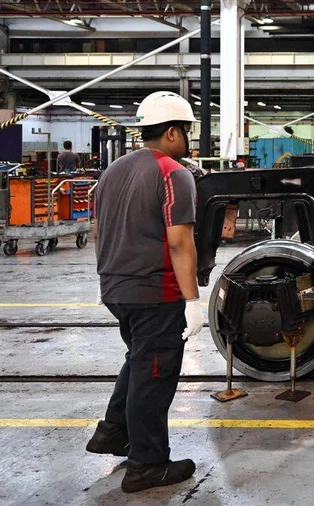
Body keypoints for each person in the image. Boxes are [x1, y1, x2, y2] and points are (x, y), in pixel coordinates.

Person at [85, 91, 205, 492]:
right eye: (187, 131)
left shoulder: (113, 170)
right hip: (155, 291)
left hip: (116, 287)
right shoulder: (174, 172)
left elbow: (99, 231)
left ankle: (113, 431)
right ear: (173, 132)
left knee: (138, 360)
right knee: (155, 373)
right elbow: (179, 242)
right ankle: (147, 465)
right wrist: (192, 300)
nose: (188, 139)